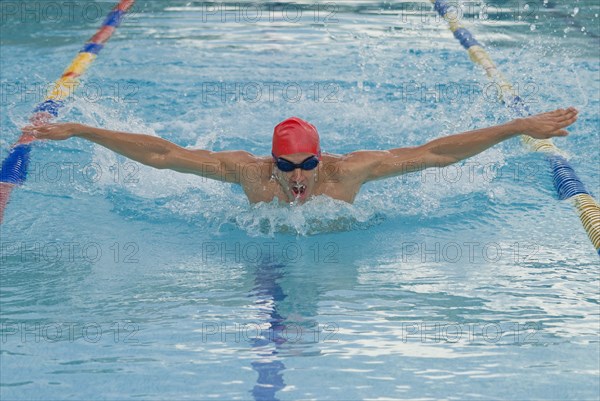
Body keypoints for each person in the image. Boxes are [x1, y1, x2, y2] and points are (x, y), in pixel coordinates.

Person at [23, 107, 578, 204]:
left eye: (304, 166)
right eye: (284, 166)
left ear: (321, 160)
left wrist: (516, 127)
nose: (294, 178)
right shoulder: (248, 172)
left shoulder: (351, 171)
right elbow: (165, 156)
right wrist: (78, 130)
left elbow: (435, 154)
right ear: (271, 162)